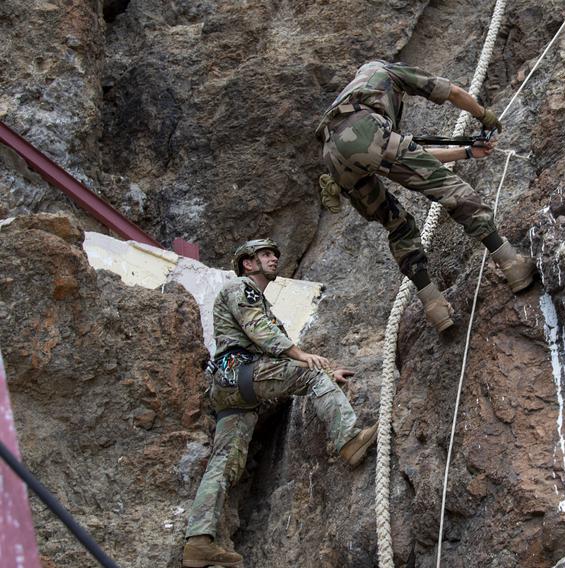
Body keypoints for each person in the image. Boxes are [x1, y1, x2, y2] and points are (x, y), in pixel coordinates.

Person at [181, 239, 378, 568]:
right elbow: (261, 334)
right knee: (315, 381)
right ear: (248, 263)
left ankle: (198, 542)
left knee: (224, 463)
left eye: (275, 254)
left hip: (231, 387)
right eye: (265, 255)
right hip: (242, 373)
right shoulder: (241, 288)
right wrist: (309, 362)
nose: (274, 259)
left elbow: (266, 342)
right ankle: (348, 440)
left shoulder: (257, 300)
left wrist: (324, 365)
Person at [316, 60, 535, 332]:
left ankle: (435, 307)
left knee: (398, 225)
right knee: (453, 191)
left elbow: (410, 157)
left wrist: (466, 152)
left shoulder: (353, 93)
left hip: (333, 158)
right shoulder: (388, 71)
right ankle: (512, 264)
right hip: (365, 131)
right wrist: (483, 114)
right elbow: (452, 92)